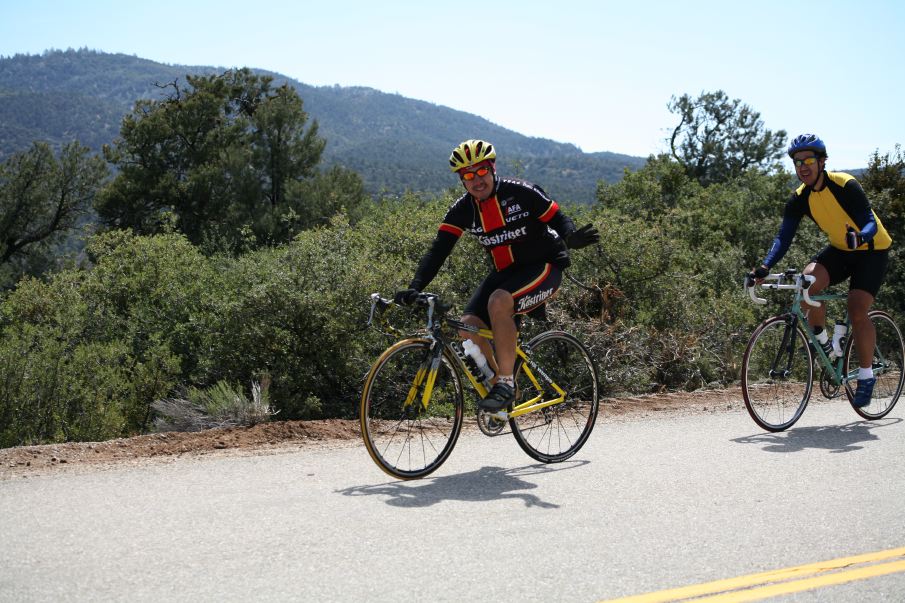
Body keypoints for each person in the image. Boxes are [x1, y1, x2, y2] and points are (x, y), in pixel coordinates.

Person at [394, 139, 599, 411]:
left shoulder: (521, 192)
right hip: (507, 273)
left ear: (492, 168)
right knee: (466, 325)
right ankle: (498, 392)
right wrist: (415, 286)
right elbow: (438, 250)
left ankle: (506, 383)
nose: (477, 180)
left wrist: (569, 236)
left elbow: (557, 217)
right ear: (462, 180)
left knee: (498, 301)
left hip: (546, 266)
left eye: (481, 171)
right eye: (468, 175)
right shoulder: (463, 210)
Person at [751, 133, 892, 407]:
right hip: (841, 249)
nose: (803, 166)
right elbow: (783, 237)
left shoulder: (845, 184)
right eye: (797, 162)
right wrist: (765, 265)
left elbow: (869, 222)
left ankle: (865, 376)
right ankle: (827, 344)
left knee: (856, 307)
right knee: (808, 282)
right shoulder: (799, 198)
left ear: (822, 161)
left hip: (872, 250)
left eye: (809, 160)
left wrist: (861, 236)